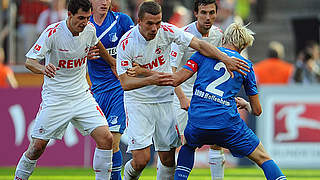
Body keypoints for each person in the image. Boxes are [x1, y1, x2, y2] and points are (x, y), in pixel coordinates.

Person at [116, 1, 249, 179]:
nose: (155, 28)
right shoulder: (127, 43)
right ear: (139, 21)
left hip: (167, 98)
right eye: (150, 23)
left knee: (169, 159)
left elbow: (200, 46)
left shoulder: (168, 31)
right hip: (140, 101)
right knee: (142, 160)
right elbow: (125, 83)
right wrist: (152, 79)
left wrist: (225, 59)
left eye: (158, 22)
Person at [14, 0, 116, 179]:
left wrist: (112, 63)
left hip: (81, 96)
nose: (84, 22)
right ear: (69, 15)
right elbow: (30, 61)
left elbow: (96, 43)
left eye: (87, 18)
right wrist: (43, 68)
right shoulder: (53, 33)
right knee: (37, 147)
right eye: (80, 18)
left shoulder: (89, 29)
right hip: (56, 98)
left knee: (106, 139)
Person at [172, 22, 287, 180]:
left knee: (188, 146)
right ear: (244, 46)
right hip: (227, 123)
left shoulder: (203, 53)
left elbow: (177, 80)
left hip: (199, 121)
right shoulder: (245, 65)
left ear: (224, 38)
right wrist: (246, 105)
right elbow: (258, 111)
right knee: (264, 158)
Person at [169, 0, 225, 179]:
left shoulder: (218, 35)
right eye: (203, 13)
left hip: (206, 94)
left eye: (211, 12)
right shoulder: (183, 35)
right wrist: (181, 98)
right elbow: (172, 70)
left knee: (218, 140)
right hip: (182, 93)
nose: (208, 17)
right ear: (195, 13)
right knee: (176, 144)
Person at [88, 0, 134, 179]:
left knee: (113, 141)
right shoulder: (85, 24)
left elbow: (135, 46)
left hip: (118, 88)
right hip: (97, 92)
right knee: (104, 144)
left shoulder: (121, 21)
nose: (104, 2)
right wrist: (85, 54)